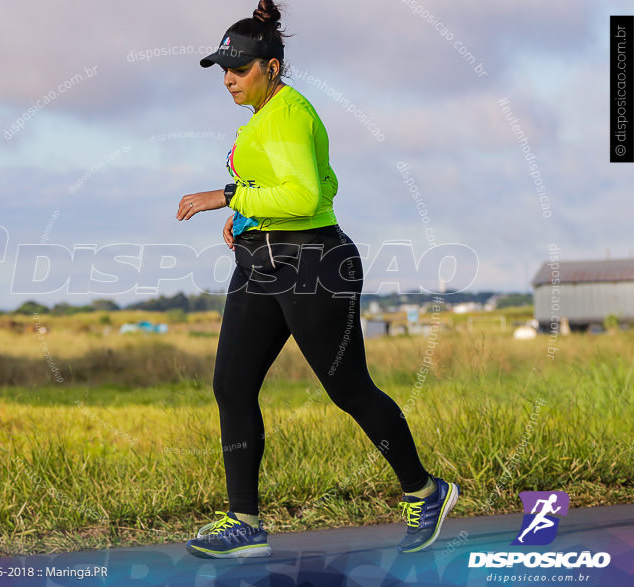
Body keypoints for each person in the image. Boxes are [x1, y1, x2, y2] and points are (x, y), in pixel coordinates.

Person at [175, 0, 459, 559]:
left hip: (313, 265)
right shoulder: (261, 120)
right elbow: (303, 186)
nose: (228, 79)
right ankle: (245, 523)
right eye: (222, 69)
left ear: (272, 67)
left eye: (238, 69)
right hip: (261, 264)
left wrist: (228, 196)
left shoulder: (292, 114)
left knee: (347, 388)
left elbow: (306, 196)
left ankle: (425, 491)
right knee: (231, 386)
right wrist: (248, 219)